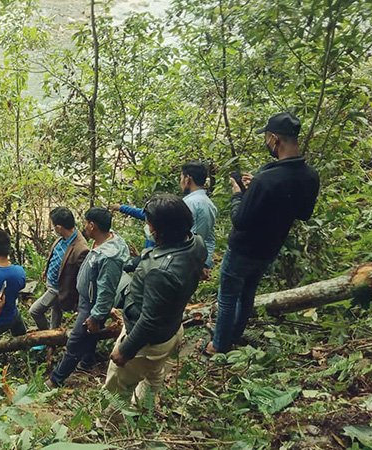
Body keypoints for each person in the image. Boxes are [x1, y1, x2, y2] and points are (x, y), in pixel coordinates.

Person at [206, 112, 319, 355]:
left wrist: (239, 193)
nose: (267, 142)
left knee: (228, 296)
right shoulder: (309, 176)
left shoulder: (267, 180)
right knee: (248, 293)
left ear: (275, 139)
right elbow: (303, 212)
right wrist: (256, 186)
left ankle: (219, 345)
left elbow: (240, 219)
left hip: (243, 249)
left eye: (267, 138)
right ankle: (234, 335)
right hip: (269, 249)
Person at [105, 194, 205, 405]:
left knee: (117, 385)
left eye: (149, 221)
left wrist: (126, 350)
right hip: (171, 328)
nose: (147, 225)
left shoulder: (160, 272)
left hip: (147, 341)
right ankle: (144, 407)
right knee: (154, 372)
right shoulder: (196, 242)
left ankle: (108, 425)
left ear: (158, 229)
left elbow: (149, 319)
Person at [46, 207, 129, 388]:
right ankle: (88, 359)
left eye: (85, 223)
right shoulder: (101, 242)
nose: (83, 226)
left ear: (92, 226)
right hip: (87, 299)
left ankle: (56, 379)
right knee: (91, 333)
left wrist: (97, 314)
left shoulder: (109, 256)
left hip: (92, 304)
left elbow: (106, 289)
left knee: (76, 338)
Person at [111, 161, 218, 277]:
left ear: (187, 179)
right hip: (186, 261)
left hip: (169, 262)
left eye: (181, 177)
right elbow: (209, 237)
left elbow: (165, 227)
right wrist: (205, 263)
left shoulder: (188, 204)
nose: (180, 182)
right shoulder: (209, 204)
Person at [29, 207, 89, 330]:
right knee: (55, 310)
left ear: (59, 228)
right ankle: (53, 336)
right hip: (52, 284)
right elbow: (55, 257)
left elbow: (82, 277)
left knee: (34, 311)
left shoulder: (81, 249)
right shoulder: (62, 239)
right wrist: (47, 271)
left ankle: (44, 335)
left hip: (57, 289)